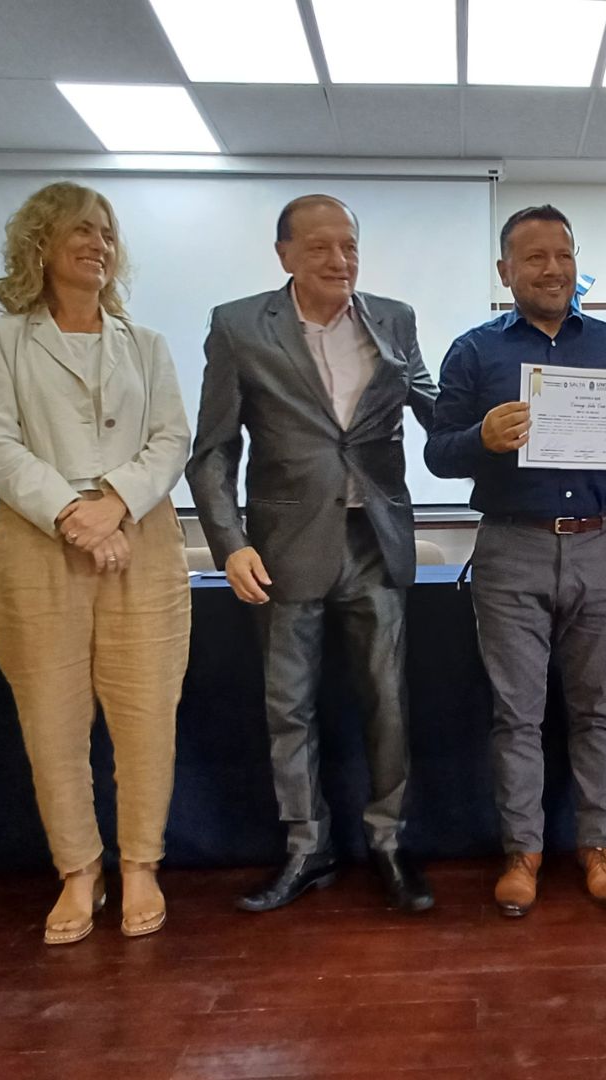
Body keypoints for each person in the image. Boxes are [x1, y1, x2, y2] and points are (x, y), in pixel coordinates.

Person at [426, 205, 606, 917]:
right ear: (505, 270)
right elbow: (438, 454)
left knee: (599, 711)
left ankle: (598, 847)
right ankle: (524, 852)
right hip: (511, 546)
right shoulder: (474, 352)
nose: (553, 269)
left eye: (564, 255)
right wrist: (481, 438)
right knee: (516, 715)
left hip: (602, 546)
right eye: (535, 257)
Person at [187, 194, 438, 914]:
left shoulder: (393, 318)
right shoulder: (239, 326)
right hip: (284, 547)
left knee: (388, 701)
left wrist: (508, 424)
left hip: (376, 539)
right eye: (321, 246)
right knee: (288, 707)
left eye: (349, 245)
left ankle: (388, 843)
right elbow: (213, 452)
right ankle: (307, 847)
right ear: (285, 255)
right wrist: (230, 544)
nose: (339, 259)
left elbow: (436, 408)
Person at [0, 182, 191, 943]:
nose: (98, 244)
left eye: (107, 233)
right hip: (38, 542)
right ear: (40, 244)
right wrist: (74, 515)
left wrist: (114, 505)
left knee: (146, 715)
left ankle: (141, 864)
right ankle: (79, 870)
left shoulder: (146, 344)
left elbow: (171, 438)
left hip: (141, 538)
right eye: (80, 231)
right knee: (52, 718)